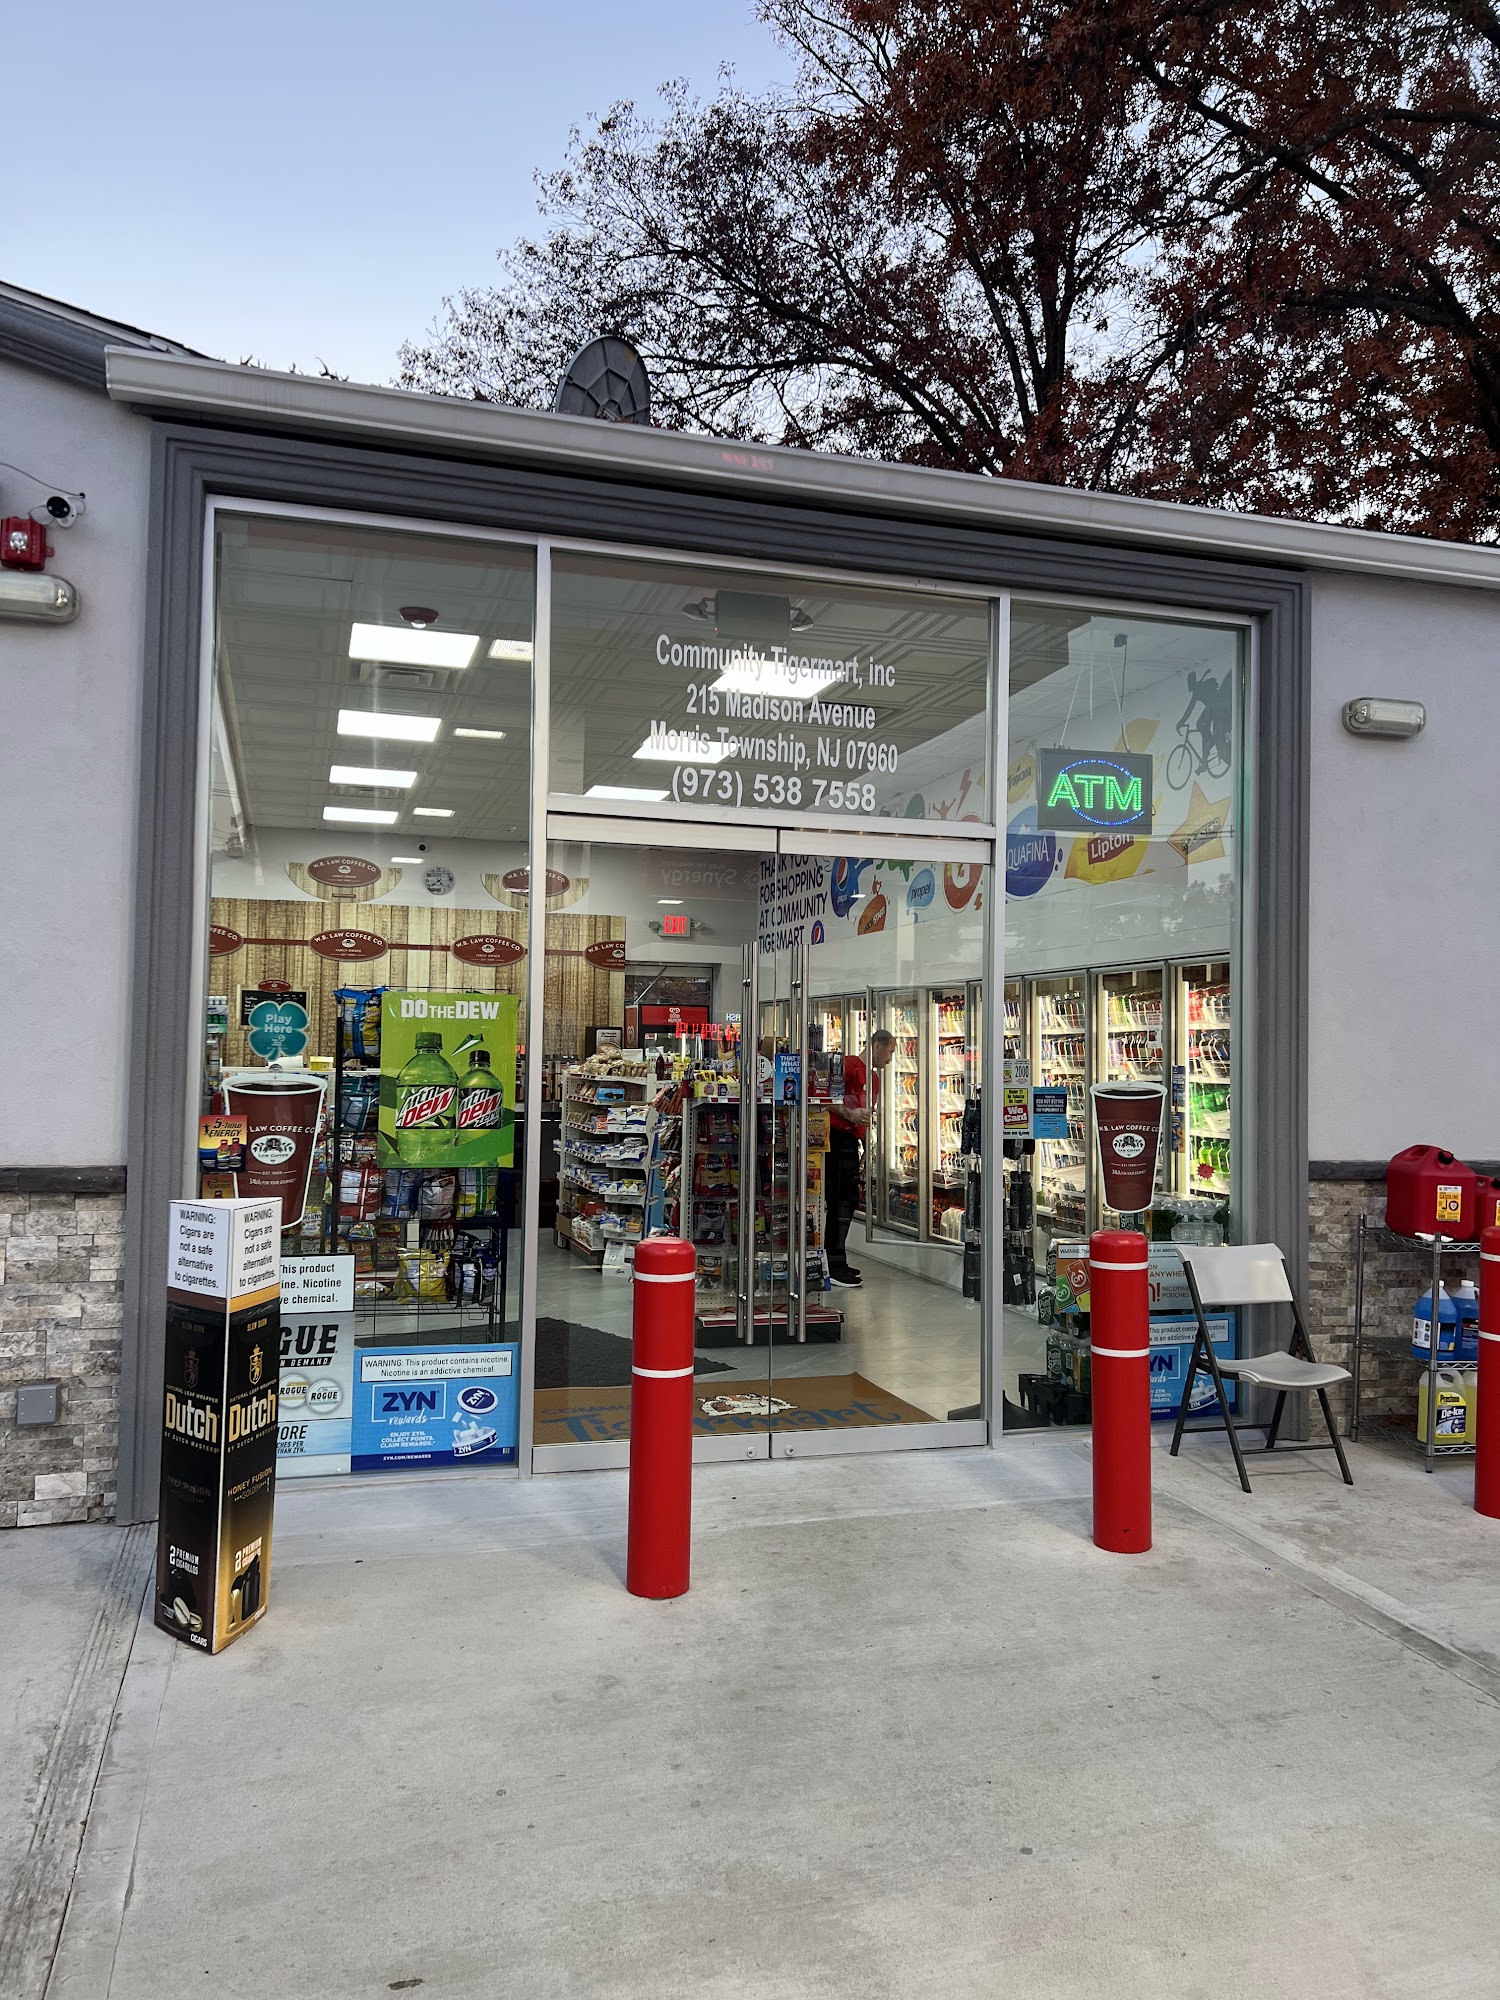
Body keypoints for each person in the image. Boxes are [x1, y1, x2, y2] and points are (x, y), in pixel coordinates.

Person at [825, 1027, 895, 1288]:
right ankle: (833, 1264)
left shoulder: (874, 1079)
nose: (890, 1059)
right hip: (834, 1138)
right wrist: (849, 1114)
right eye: (889, 1052)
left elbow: (864, 1116)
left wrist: (866, 1146)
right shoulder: (849, 1066)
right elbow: (823, 1097)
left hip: (851, 1142)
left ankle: (838, 1260)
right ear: (877, 1046)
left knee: (848, 1201)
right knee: (840, 1201)